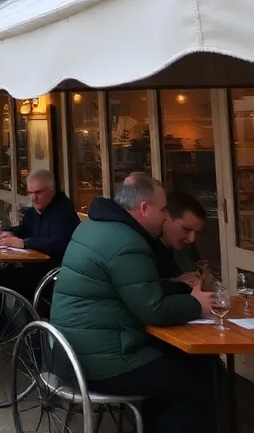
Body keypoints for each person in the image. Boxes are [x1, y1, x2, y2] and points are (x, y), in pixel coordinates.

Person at [52, 173, 216, 433]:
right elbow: (152, 310)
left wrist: (179, 286)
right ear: (143, 208)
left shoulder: (94, 225)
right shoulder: (127, 242)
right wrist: (196, 305)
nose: (165, 217)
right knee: (192, 382)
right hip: (102, 362)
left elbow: (127, 286)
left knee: (187, 366)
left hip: (68, 353)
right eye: (162, 210)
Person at [0, 168, 80, 296]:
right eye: (30, 192)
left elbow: (58, 243)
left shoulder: (63, 210)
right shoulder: (37, 208)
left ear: (51, 190)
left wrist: (24, 243)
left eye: (38, 192)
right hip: (36, 267)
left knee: (1, 281)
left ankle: (25, 315)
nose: (33, 198)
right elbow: (25, 229)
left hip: (55, 274)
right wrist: (6, 231)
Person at [155, 189, 213, 290]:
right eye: (186, 229)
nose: (192, 239)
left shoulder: (183, 250)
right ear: (166, 217)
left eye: (196, 233)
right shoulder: (144, 250)